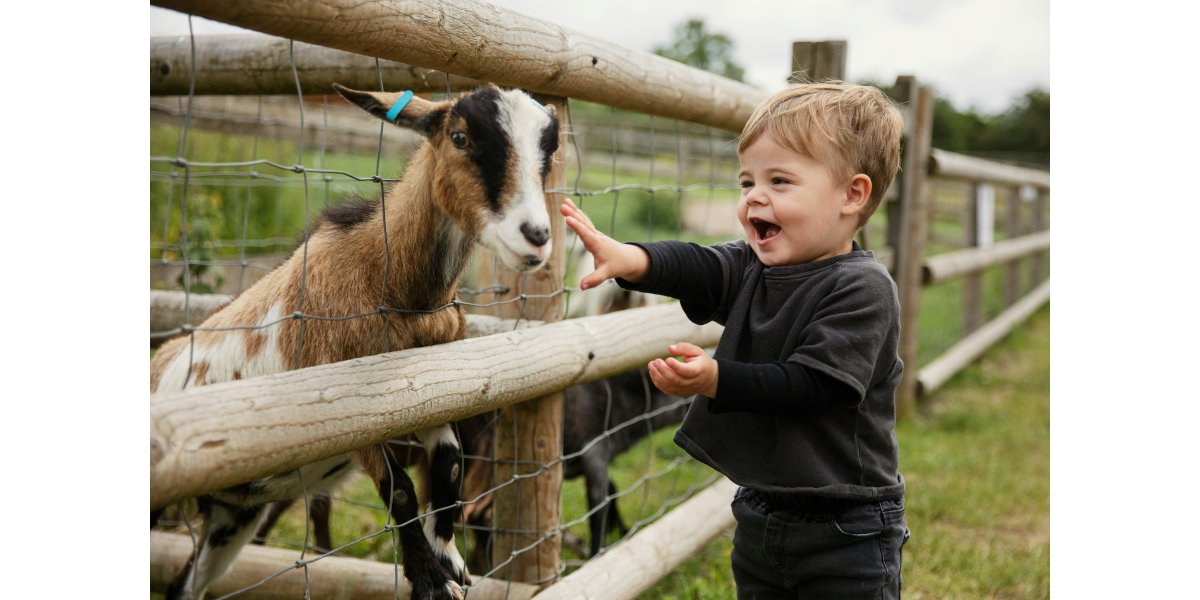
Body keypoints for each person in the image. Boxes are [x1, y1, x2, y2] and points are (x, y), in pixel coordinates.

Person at [561, 81, 909, 598]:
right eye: (747, 181)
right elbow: (701, 267)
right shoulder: (757, 267)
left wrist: (715, 378)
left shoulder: (862, 289)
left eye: (781, 180)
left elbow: (812, 385)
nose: (754, 197)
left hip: (847, 523)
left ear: (852, 195)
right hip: (762, 509)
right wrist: (632, 260)